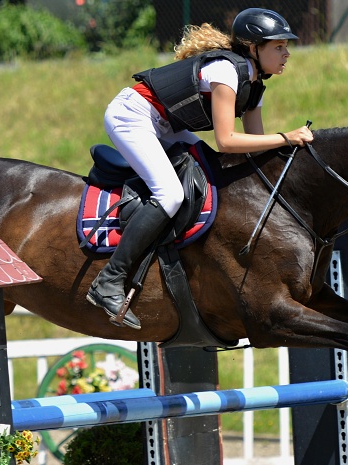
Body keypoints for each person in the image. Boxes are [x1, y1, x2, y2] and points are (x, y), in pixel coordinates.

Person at [87, 7, 314, 329]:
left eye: (285, 46)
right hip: (133, 116)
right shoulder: (225, 71)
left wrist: (287, 152)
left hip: (166, 123)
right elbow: (227, 141)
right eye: (278, 47)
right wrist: (285, 137)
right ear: (253, 48)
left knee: (210, 169)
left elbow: (253, 144)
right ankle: (109, 280)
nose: (287, 53)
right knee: (170, 194)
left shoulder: (255, 86)